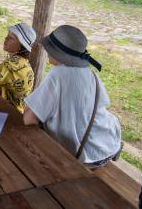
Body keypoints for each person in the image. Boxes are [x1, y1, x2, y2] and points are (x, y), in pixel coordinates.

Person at [23, 25, 122, 168]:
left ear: (57, 53)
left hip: (86, 156)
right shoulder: (91, 74)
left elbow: (29, 119)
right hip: (107, 142)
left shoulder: (58, 74)